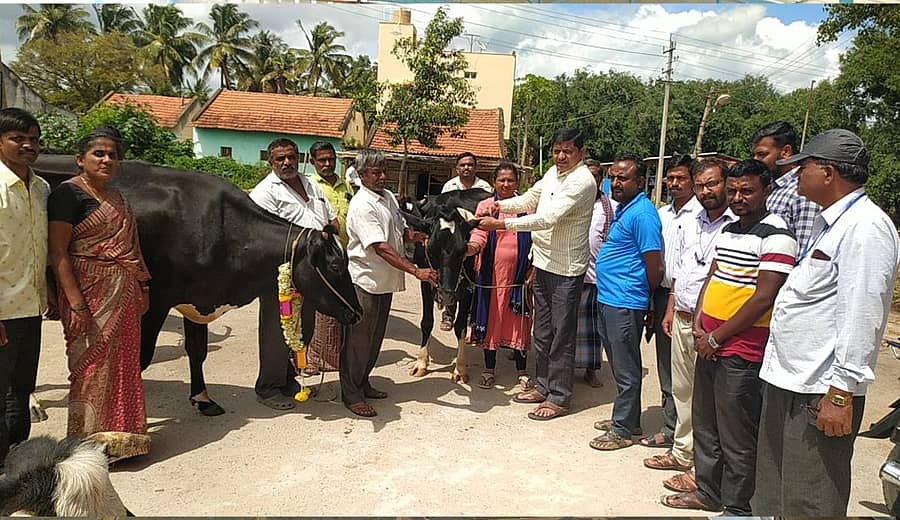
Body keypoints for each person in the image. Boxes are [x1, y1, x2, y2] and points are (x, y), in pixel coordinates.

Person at [753, 130, 900, 516]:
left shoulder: (866, 228)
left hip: (820, 390)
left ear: (829, 172)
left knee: (811, 499)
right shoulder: (831, 222)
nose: (796, 174)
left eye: (804, 166)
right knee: (777, 493)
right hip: (790, 380)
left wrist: (841, 393)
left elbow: (863, 315)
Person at [661, 159, 797, 514]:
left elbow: (764, 296)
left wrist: (718, 337)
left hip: (742, 350)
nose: (738, 197)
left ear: (767, 190)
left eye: (746, 190)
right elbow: (714, 278)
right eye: (734, 191)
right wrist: (702, 327)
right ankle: (707, 490)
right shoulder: (731, 230)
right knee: (706, 424)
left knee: (736, 435)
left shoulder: (778, 235)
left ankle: (738, 507)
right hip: (709, 341)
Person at [48, 126, 152, 461]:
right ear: (80, 160)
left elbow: (131, 248)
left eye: (112, 155)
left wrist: (142, 284)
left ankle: (125, 439)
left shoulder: (118, 197)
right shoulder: (68, 195)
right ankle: (85, 446)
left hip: (124, 290)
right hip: (87, 293)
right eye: (99, 154)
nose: (107, 159)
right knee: (90, 367)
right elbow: (59, 252)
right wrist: (76, 305)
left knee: (124, 365)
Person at [478, 128, 596, 421]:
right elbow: (530, 199)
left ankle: (559, 396)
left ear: (580, 153)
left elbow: (547, 218)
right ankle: (542, 384)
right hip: (542, 263)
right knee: (542, 331)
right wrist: (500, 205)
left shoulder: (582, 180)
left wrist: (501, 225)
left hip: (566, 269)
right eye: (557, 150)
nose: (560, 156)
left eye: (567, 151)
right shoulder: (553, 174)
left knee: (561, 334)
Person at [645, 158, 735, 493]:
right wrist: (670, 308)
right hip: (680, 315)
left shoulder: (735, 224)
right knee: (682, 390)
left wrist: (702, 324)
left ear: (725, 183)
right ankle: (682, 452)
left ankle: (705, 468)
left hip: (711, 325)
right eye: (701, 185)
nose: (706, 191)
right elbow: (682, 269)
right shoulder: (693, 221)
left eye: (712, 184)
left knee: (707, 399)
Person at [343, 149, 436, 417]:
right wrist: (416, 271)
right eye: (375, 172)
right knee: (359, 340)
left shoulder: (388, 198)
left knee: (374, 339)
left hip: (385, 282)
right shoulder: (362, 205)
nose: (383, 176)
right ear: (361, 175)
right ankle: (351, 393)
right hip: (366, 282)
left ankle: (363, 382)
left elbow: (396, 230)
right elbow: (380, 247)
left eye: (384, 170)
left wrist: (413, 236)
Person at [250, 138, 338, 411]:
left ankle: (288, 378)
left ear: (299, 157)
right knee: (279, 330)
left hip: (313, 273)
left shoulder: (311, 183)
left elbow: (331, 219)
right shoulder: (265, 192)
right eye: (280, 159)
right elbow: (261, 235)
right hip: (283, 275)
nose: (287, 163)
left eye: (291, 157)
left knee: (305, 330)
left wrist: (327, 230)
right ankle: (268, 387)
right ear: (270, 162)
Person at [589, 154, 663, 450]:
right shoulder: (624, 209)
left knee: (627, 367)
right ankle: (628, 419)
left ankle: (622, 430)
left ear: (640, 182)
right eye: (613, 178)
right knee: (620, 366)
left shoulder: (643, 215)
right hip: (610, 297)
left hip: (625, 300)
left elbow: (654, 267)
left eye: (623, 178)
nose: (616, 183)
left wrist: (642, 298)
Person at [0, 108, 48, 466]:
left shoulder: (42, 188)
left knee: (21, 389)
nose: (28, 145)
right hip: (2, 309)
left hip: (31, 307)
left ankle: (15, 462)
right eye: (18, 138)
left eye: (33, 138)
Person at [645, 153, 701, 450]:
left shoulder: (700, 216)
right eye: (670, 178)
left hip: (687, 299)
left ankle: (687, 433)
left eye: (681, 178)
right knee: (666, 365)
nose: (674, 183)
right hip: (660, 291)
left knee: (687, 371)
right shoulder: (662, 214)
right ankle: (670, 426)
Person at [466, 162, 533, 390]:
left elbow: (536, 235)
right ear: (494, 182)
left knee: (520, 322)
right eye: (501, 180)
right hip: (491, 276)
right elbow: (479, 231)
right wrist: (472, 247)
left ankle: (522, 371)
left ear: (517, 183)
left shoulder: (527, 205)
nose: (506, 184)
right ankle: (489, 369)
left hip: (519, 276)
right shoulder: (486, 205)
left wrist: (531, 269)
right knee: (491, 320)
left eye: (510, 180)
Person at [306, 141, 355, 375]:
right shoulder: (308, 185)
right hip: (319, 257)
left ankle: (332, 357)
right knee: (317, 308)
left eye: (330, 159)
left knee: (337, 308)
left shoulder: (346, 185)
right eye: (322, 160)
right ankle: (311, 358)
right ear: (313, 161)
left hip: (343, 255)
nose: (327, 164)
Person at [575, 159, 617, 388]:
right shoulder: (572, 202)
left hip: (597, 276)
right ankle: (567, 368)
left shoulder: (609, 207)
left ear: (601, 180)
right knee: (569, 325)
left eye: (596, 177)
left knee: (594, 328)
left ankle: (591, 369)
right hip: (572, 272)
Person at [439, 152, 492, 332]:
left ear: (475, 167)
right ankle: (448, 313)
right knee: (451, 276)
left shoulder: (485, 188)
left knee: (473, 277)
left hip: (477, 238)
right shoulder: (449, 186)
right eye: (462, 165)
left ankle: (470, 315)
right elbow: (442, 214)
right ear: (457, 168)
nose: (466, 168)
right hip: (454, 240)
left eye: (470, 165)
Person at [751, 121, 821, 251]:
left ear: (786, 152)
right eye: (754, 155)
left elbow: (803, 250)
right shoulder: (768, 188)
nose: (755, 161)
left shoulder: (801, 193)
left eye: (762, 154)